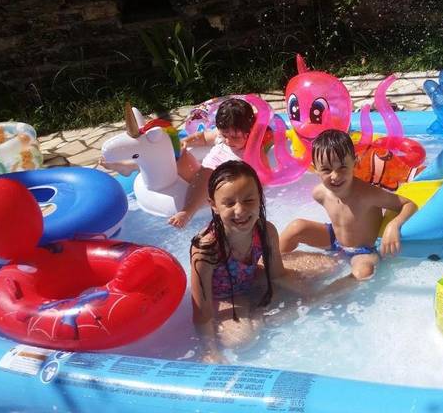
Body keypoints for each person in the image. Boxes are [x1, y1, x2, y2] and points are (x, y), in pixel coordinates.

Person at [190, 160, 315, 364]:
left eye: (249, 200)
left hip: (253, 278)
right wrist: (209, 350)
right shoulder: (205, 248)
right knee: (241, 341)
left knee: (328, 269)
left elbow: (278, 274)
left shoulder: (266, 231)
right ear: (213, 205)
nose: (240, 211)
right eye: (229, 203)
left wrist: (311, 294)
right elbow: (201, 310)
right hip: (225, 297)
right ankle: (260, 313)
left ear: (260, 197)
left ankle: (259, 310)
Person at [279, 129, 418, 280]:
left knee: (362, 272)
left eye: (342, 167)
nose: (335, 176)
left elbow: (409, 204)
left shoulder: (368, 194)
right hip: (335, 240)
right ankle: (268, 265)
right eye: (326, 169)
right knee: (296, 227)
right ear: (315, 168)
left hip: (364, 251)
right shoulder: (320, 194)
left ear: (355, 162)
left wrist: (393, 225)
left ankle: (324, 297)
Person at [169, 98, 256, 228]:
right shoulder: (221, 135)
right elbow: (203, 137)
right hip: (201, 173)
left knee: (207, 174)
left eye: (235, 137)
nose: (227, 141)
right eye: (224, 135)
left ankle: (187, 212)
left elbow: (260, 173)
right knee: (180, 156)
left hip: (223, 184)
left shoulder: (253, 148)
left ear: (250, 132)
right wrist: (186, 141)